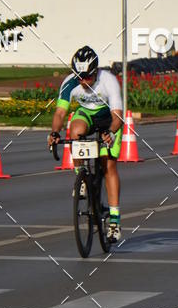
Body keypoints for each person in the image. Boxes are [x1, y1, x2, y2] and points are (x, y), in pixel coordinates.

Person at [48, 46, 123, 242]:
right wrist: (55, 132)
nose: (82, 81)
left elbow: (118, 116)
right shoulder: (69, 83)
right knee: (74, 130)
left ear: (95, 71)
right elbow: (60, 113)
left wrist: (110, 132)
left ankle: (114, 220)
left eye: (87, 77)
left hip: (109, 119)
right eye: (79, 76)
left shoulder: (109, 81)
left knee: (108, 165)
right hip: (87, 115)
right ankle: (80, 179)